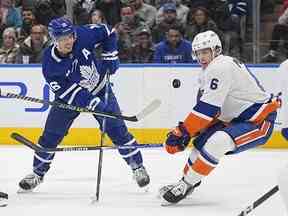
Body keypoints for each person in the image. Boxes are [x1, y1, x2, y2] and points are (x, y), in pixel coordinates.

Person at [18, 17, 150, 192]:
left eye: (70, 36)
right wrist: (92, 103)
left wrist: (110, 56)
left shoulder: (83, 34)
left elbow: (108, 31)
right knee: (50, 135)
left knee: (117, 129)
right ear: (53, 39)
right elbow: (68, 92)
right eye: (62, 38)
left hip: (100, 88)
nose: (69, 41)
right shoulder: (49, 63)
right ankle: (37, 173)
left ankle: (137, 166)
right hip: (69, 99)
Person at [159, 30, 281, 204]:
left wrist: (181, 131)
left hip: (259, 121)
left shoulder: (221, 66)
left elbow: (206, 110)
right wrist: (188, 134)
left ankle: (186, 184)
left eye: (205, 52)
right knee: (201, 143)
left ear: (216, 50)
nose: (201, 57)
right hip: (234, 119)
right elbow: (209, 112)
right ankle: (186, 182)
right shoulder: (207, 72)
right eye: (198, 53)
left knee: (218, 141)